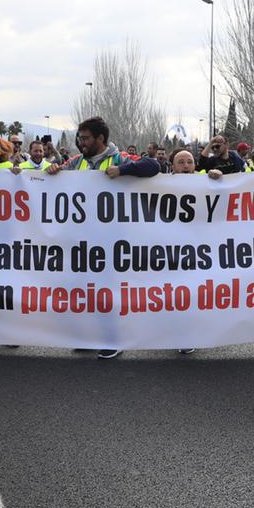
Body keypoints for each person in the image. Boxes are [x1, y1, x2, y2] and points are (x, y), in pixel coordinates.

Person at [46, 117, 159, 358]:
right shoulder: (76, 162)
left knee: (106, 291)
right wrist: (52, 169)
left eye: (86, 138)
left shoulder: (119, 159)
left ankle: (112, 339)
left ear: (101, 139)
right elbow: (51, 176)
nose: (81, 142)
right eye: (79, 138)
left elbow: (153, 166)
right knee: (81, 290)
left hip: (110, 241)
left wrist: (123, 170)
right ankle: (89, 337)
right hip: (80, 240)